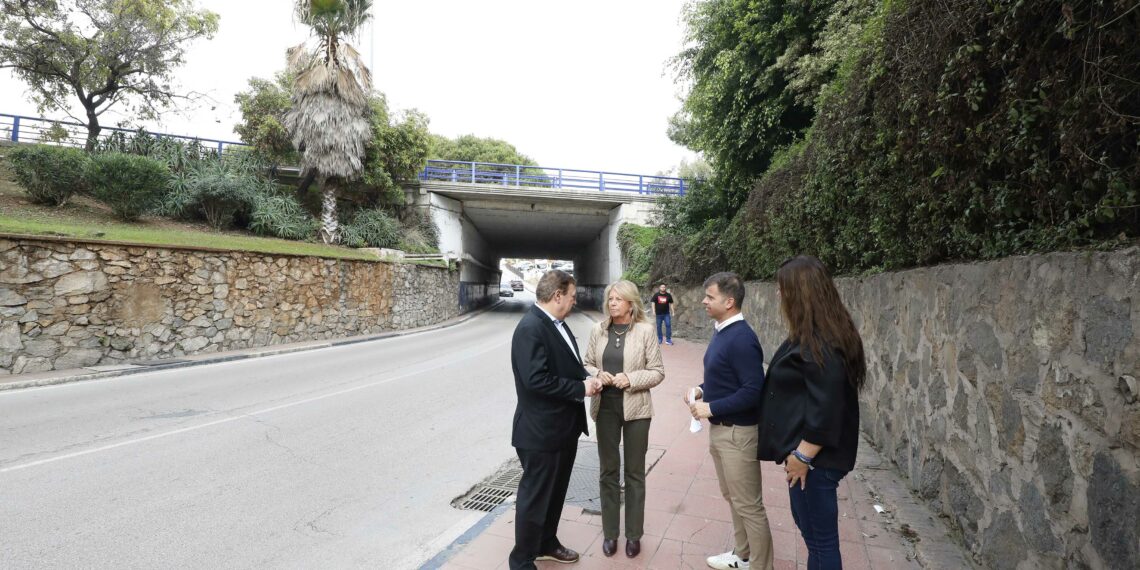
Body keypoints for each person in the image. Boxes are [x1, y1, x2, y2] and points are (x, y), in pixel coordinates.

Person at [758, 256, 866, 570]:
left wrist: (802, 457)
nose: (778, 296)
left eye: (783, 289)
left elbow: (828, 407)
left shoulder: (822, 344)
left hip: (815, 462)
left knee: (822, 543)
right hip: (809, 460)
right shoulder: (814, 336)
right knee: (813, 537)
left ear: (800, 293)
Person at [509, 270, 603, 569]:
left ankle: (546, 543)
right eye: (572, 297)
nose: (575, 302)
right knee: (534, 500)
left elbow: (564, 367)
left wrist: (589, 377)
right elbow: (536, 380)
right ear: (557, 295)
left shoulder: (556, 324)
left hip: (562, 429)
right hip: (540, 432)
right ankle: (522, 561)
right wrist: (580, 388)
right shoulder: (531, 328)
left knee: (555, 494)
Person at [687, 272, 774, 570]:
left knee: (749, 505)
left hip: (738, 435)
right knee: (734, 497)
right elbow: (727, 380)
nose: (704, 301)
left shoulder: (741, 339)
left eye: (710, 297)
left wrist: (710, 408)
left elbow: (753, 391)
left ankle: (761, 565)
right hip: (722, 432)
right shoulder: (722, 331)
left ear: (730, 301)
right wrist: (701, 390)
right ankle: (743, 555)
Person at [582, 280, 665, 559]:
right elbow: (586, 362)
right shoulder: (598, 329)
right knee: (607, 470)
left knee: (634, 472)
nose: (612, 303)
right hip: (605, 406)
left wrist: (630, 379)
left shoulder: (645, 331)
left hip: (637, 409)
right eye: (610, 299)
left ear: (631, 303)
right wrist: (597, 374)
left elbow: (657, 372)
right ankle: (610, 533)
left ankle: (633, 535)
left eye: (618, 299)